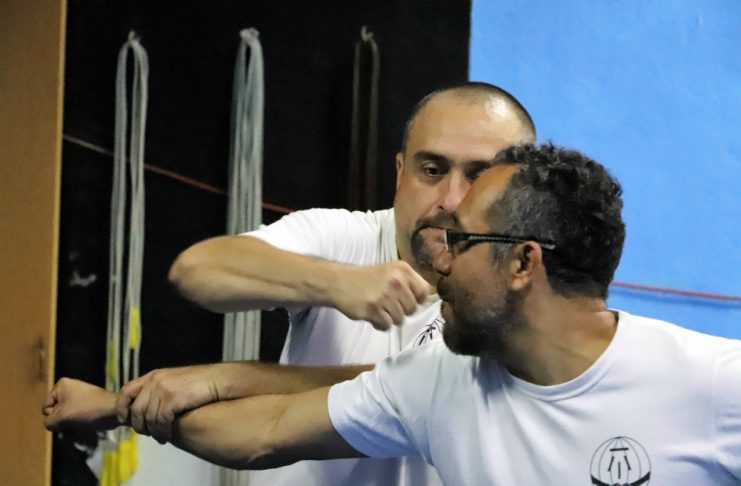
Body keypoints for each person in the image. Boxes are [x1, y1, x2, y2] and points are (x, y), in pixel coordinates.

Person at [45, 143, 741, 484]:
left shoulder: (713, 384)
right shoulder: (440, 381)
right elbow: (262, 433)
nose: (442, 261)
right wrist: (125, 406)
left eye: (462, 241)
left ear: (523, 263)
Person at [121, 82, 536, 485]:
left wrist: (227, 381)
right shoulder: (343, 237)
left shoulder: (536, 292)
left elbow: (408, 391)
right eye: (431, 170)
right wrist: (335, 282)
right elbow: (198, 270)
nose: (451, 199)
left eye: (478, 177)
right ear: (400, 172)